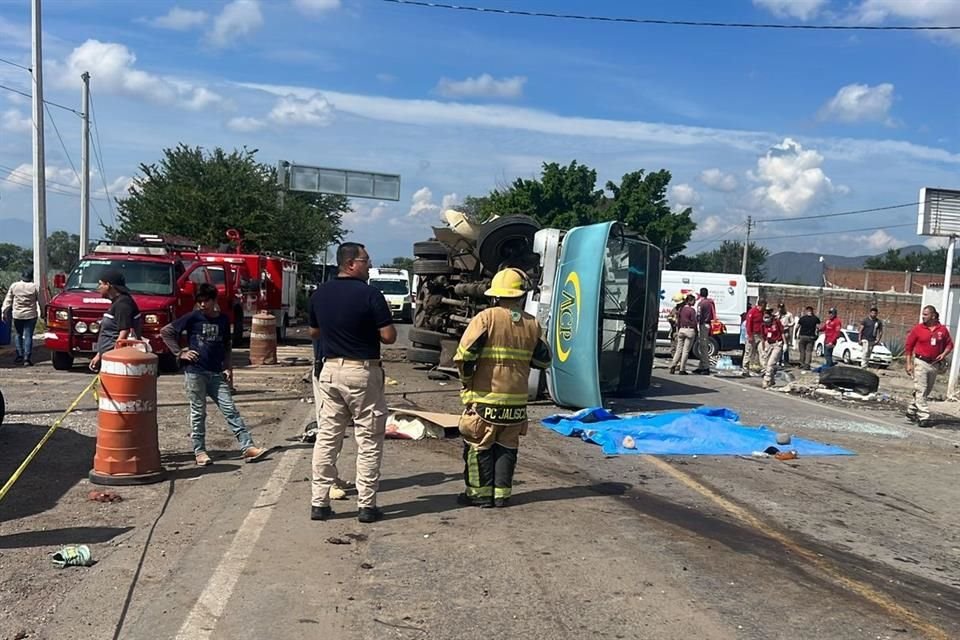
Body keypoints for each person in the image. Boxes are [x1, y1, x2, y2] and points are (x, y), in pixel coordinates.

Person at [308, 242, 396, 524]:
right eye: (365, 260)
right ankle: (367, 506)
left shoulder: (320, 294)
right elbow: (389, 336)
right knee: (368, 439)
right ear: (350, 264)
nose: (369, 265)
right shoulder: (371, 295)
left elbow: (314, 331)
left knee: (327, 437)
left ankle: (319, 503)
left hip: (330, 371)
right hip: (362, 371)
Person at [454, 268, 551, 508]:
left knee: (480, 446)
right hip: (517, 402)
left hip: (486, 398)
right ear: (521, 295)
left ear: (496, 295)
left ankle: (479, 496)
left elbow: (465, 356)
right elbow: (544, 360)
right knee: (507, 447)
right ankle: (501, 496)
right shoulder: (532, 324)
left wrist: (467, 382)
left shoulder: (486, 318)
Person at [160, 283, 268, 466]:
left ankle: (247, 446)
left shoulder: (223, 320)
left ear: (214, 300)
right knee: (198, 412)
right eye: (200, 301)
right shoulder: (193, 318)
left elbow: (227, 345)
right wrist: (180, 353)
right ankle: (200, 451)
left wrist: (227, 367)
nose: (203, 305)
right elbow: (166, 331)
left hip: (216, 373)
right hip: (195, 372)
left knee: (230, 409)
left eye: (206, 301)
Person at [904, 305, 954, 428]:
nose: (923, 317)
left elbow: (949, 344)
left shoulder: (942, 330)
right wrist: (908, 363)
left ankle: (911, 410)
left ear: (933, 315)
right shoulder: (918, 329)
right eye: (923, 314)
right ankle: (924, 416)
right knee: (921, 389)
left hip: (934, 364)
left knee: (925, 391)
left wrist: (943, 354)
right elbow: (909, 347)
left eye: (926, 314)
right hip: (920, 362)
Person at [90, 269, 142, 372]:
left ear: (108, 285)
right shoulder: (116, 302)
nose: (98, 288)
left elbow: (124, 332)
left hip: (116, 361)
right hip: (107, 356)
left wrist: (114, 357)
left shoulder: (123, 304)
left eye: (100, 284)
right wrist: (99, 355)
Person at [1, 270, 41, 366]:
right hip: (31, 315)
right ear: (31, 277)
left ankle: (19, 355)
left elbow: (8, 300)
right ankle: (27, 358)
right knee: (28, 336)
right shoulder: (35, 287)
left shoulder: (14, 286)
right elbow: (41, 301)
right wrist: (43, 312)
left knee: (18, 335)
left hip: (17, 315)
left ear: (22, 276)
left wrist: (3, 312)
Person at [669, 294, 697, 375]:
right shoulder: (692, 310)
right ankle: (682, 369)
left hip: (681, 330)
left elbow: (678, 320)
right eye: (694, 300)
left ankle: (673, 366)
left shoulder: (681, 309)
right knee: (686, 351)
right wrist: (696, 331)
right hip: (689, 330)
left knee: (678, 349)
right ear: (690, 301)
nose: (694, 302)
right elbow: (694, 322)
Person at [759, 309, 785, 389]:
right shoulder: (763, 325)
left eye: (767, 317)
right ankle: (772, 380)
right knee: (766, 364)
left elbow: (782, 332)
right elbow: (763, 338)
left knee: (771, 363)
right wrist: (763, 349)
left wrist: (785, 343)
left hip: (777, 343)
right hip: (769, 343)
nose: (766, 319)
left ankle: (766, 380)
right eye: (764, 317)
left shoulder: (776, 322)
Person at [693, 288, 717, 375]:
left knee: (703, 346)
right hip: (709, 324)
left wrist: (696, 324)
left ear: (700, 294)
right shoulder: (710, 303)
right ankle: (701, 366)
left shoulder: (701, 303)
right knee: (704, 345)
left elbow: (699, 315)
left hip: (703, 325)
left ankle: (706, 367)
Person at [795, 306, 820, 370]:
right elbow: (817, 328)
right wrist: (817, 335)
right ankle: (807, 365)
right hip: (811, 337)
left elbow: (797, 327)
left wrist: (795, 334)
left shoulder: (802, 318)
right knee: (809, 351)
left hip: (802, 336)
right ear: (812, 311)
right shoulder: (816, 319)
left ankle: (801, 364)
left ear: (806, 311)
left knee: (802, 351)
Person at [744, 298, 766, 372]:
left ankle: (764, 368)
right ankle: (745, 368)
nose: (764, 308)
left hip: (760, 335)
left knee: (762, 351)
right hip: (752, 334)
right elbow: (748, 324)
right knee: (749, 352)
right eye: (764, 306)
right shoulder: (752, 312)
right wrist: (750, 335)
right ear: (760, 305)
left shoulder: (763, 313)